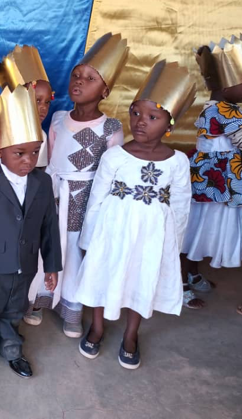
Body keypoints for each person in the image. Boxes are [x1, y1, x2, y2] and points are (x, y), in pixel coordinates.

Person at [75, 60, 195, 370]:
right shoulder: (115, 155)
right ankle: (97, 326)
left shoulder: (178, 161)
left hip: (152, 234)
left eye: (153, 117)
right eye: (136, 113)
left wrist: (174, 244)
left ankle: (131, 334)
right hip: (112, 230)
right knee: (104, 272)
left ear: (169, 124)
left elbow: (181, 204)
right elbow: (97, 198)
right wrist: (88, 238)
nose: (141, 122)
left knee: (143, 276)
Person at [0, 84, 61, 381]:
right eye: (19, 153)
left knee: (15, 308)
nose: (28, 161)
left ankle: (11, 347)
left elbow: (49, 225)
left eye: (35, 152)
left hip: (25, 264)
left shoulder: (43, 183)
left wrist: (52, 265)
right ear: (0, 150)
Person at [34, 33, 129, 338]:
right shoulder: (58, 118)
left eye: (90, 78)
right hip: (54, 192)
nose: (79, 82)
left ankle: (71, 308)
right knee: (45, 245)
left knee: (74, 252)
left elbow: (112, 173)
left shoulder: (111, 128)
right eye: (76, 75)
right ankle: (38, 298)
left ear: (105, 90)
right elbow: (50, 160)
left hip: (85, 198)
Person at [180, 35, 242, 309]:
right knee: (198, 232)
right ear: (226, 86)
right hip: (217, 184)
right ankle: (182, 284)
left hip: (212, 182)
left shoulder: (214, 107)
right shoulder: (227, 112)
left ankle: (192, 275)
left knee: (199, 229)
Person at [0, 44, 51, 173]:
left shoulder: (41, 135)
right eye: (37, 100)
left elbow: (38, 171)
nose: (43, 107)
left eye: (47, 102)